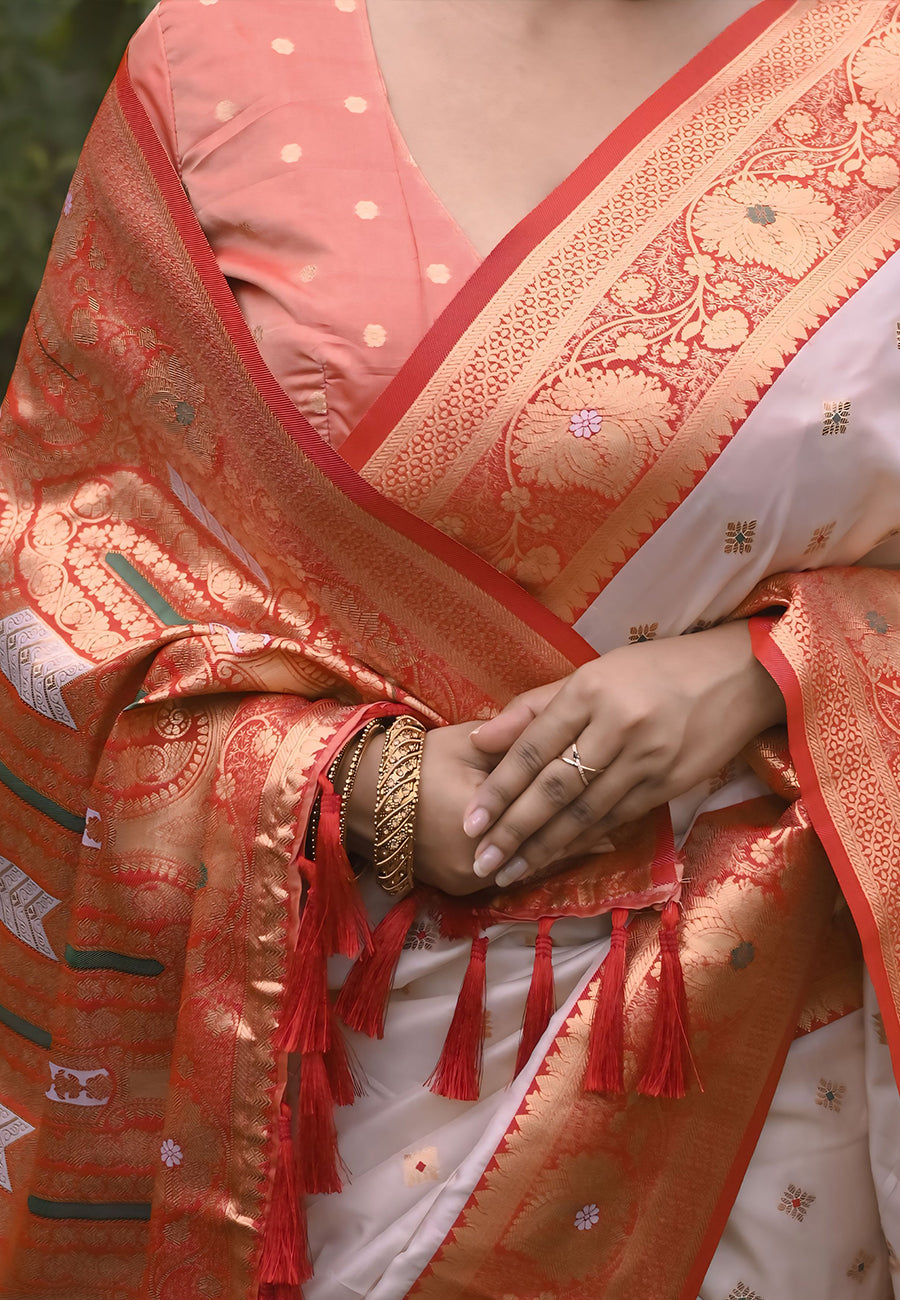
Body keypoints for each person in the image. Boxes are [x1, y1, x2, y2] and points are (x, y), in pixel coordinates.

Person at [1, 0, 899, 1295]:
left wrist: (765, 672)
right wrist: (360, 788)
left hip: (777, 1096)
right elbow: (59, 585)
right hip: (310, 1078)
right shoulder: (229, 59)